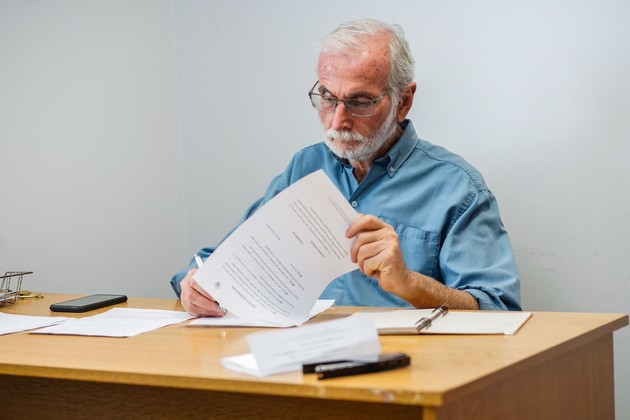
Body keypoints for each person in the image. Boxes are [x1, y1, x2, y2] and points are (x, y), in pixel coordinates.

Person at [171, 18, 521, 316]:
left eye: (360, 101)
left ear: (404, 101)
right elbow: (220, 261)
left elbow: (498, 310)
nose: (337, 120)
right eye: (327, 97)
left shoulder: (458, 188)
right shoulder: (306, 166)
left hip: (401, 364)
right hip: (294, 356)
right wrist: (194, 285)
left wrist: (411, 284)